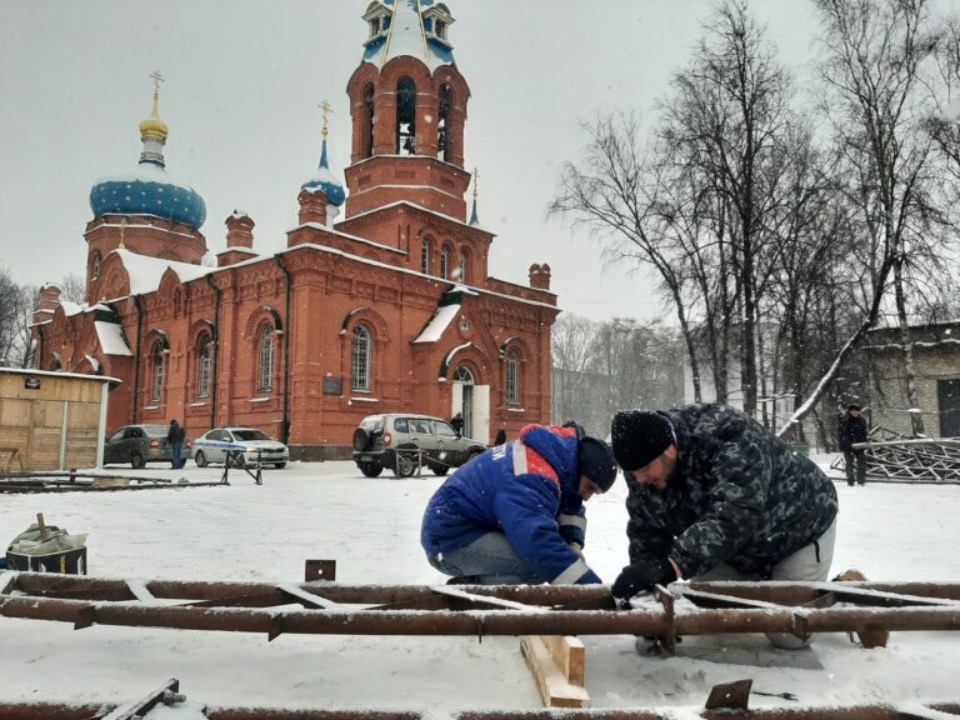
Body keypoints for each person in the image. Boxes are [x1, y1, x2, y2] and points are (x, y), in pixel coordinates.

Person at [609, 405, 839, 649]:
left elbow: (734, 515)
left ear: (669, 448)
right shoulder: (641, 465)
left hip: (798, 530)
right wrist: (647, 581)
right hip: (733, 549)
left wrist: (671, 566)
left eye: (645, 470)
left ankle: (841, 594)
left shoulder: (729, 433)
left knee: (788, 634)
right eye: (633, 473)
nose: (640, 479)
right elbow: (647, 526)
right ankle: (763, 586)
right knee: (713, 617)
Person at [420, 423, 618, 585]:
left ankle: (478, 585)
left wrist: (572, 543)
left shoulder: (553, 459)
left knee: (545, 562)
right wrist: (589, 589)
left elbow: (569, 504)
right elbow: (537, 544)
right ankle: (473, 591)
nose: (588, 497)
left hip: (459, 527)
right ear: (580, 469)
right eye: (590, 487)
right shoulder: (532, 476)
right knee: (537, 568)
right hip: (450, 540)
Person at [838, 403, 869, 486]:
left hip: (859, 445)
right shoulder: (845, 420)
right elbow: (842, 434)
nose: (855, 413)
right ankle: (850, 480)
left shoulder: (861, 420)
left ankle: (861, 480)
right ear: (850, 411)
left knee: (862, 463)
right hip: (848, 446)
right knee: (849, 463)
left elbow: (864, 433)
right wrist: (848, 443)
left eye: (857, 411)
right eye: (853, 411)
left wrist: (864, 441)